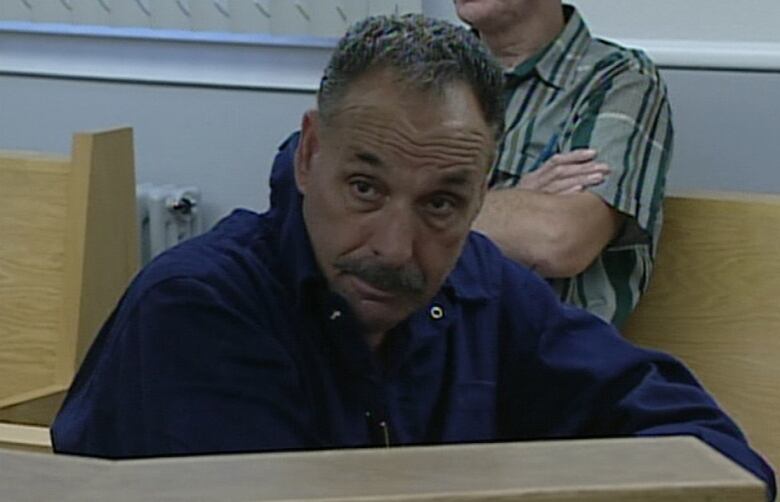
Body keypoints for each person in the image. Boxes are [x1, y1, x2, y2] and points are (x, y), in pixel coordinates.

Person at [51, 14, 774, 499]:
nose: (397, 249)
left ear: (482, 194)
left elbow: (715, 455)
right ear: (309, 156)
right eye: (365, 188)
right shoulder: (197, 309)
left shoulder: (481, 288)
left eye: (441, 203)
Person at [454, 1, 673, 327]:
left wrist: (437, 209)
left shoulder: (619, 79)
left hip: (538, 359)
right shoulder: (421, 75)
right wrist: (517, 198)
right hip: (416, 348)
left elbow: (558, 240)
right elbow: (362, 223)